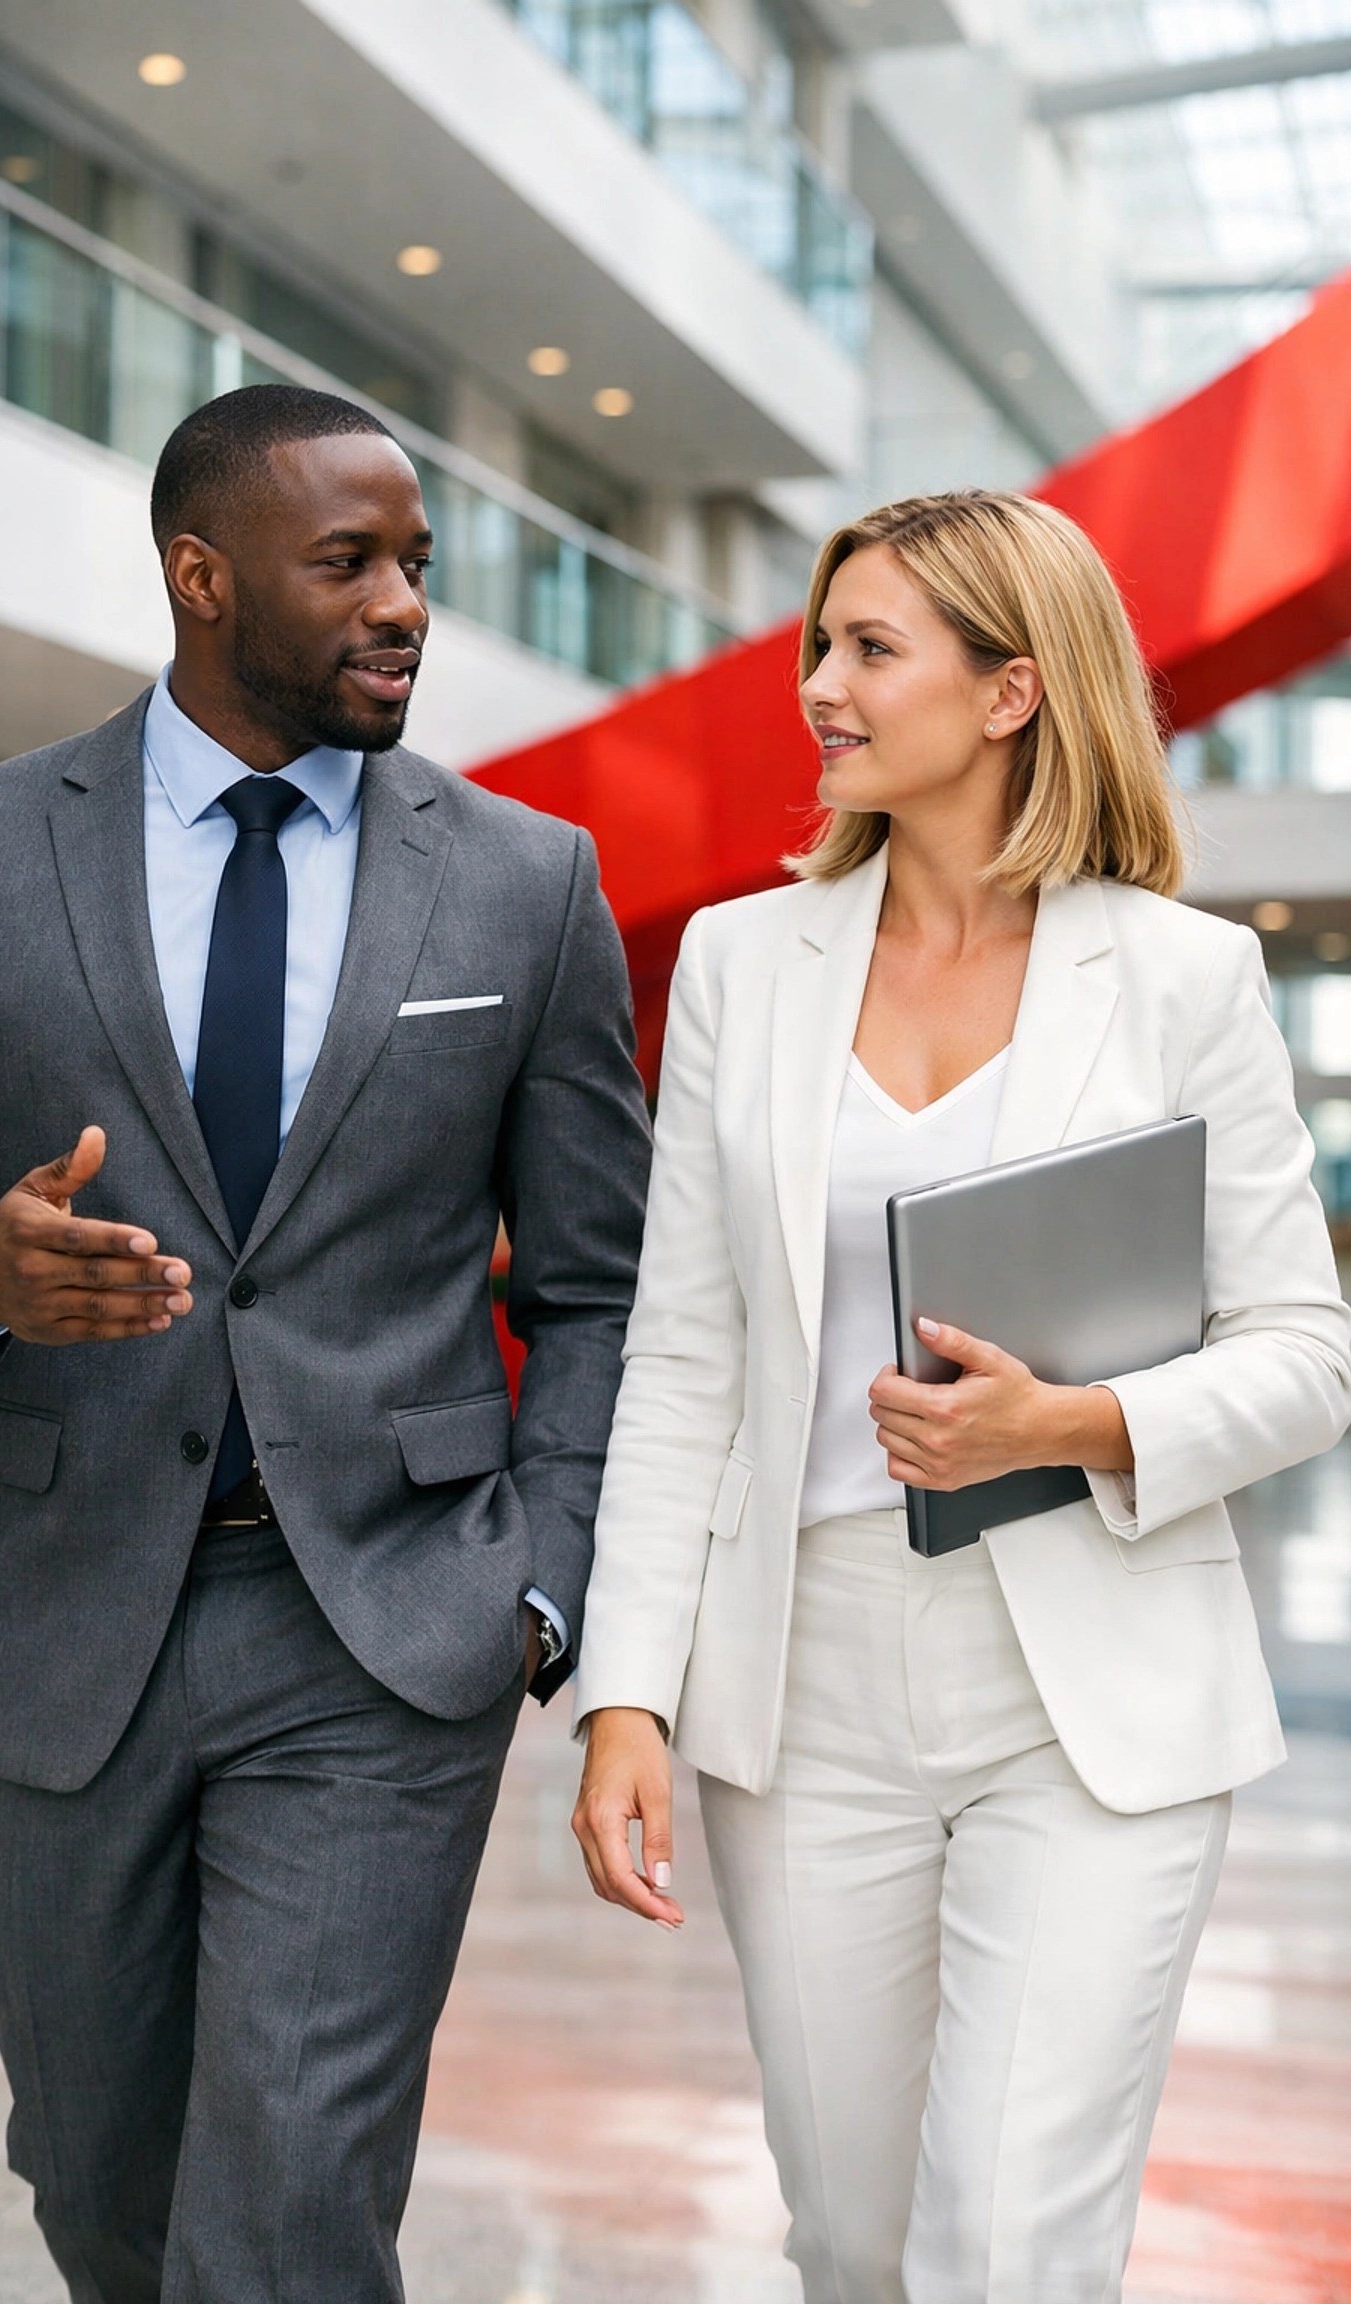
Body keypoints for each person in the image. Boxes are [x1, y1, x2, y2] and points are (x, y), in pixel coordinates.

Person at [0, 384, 650, 2303]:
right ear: (201, 577)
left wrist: (540, 1581)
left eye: (416, 564)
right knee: (98, 2183)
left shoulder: (525, 881)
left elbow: (597, 1282)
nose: (404, 606)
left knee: (289, 2206)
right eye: (348, 563)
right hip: (55, 1613)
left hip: (384, 1629)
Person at [570, 490, 1351, 2303]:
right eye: (819, 645)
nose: (819, 688)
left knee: (1007, 2247)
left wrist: (1069, 1427)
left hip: (1090, 1692)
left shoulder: (1182, 977)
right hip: (807, 1684)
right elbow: (685, 1357)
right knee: (851, 2242)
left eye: (871, 649)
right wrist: (626, 1695)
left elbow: (1308, 1353)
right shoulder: (744, 968)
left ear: (1011, 691)